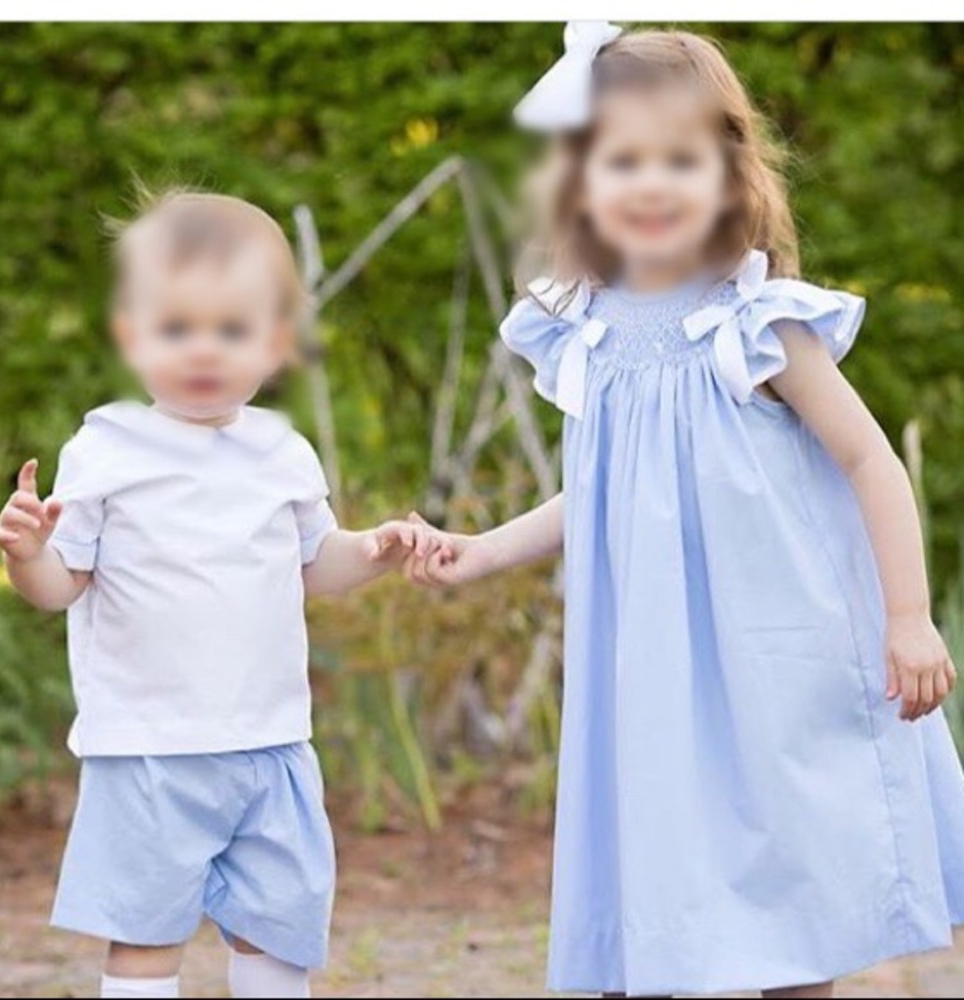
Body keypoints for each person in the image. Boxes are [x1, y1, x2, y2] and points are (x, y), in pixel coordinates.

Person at [408, 23, 964, 998]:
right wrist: (483, 551)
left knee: (787, 876)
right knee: (662, 864)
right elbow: (606, 489)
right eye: (624, 160)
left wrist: (908, 616)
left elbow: (870, 459)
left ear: (729, 173)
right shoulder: (585, 328)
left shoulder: (755, 321)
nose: (652, 183)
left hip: (773, 642)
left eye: (680, 159)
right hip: (653, 659)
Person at [0, 191, 440, 1000]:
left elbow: (315, 565)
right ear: (133, 335)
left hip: (269, 745)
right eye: (176, 328)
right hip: (150, 748)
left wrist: (372, 550)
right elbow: (62, 587)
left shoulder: (281, 451)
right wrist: (28, 554)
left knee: (276, 934)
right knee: (144, 939)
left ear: (276, 344)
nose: (203, 350)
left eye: (231, 331)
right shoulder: (107, 448)